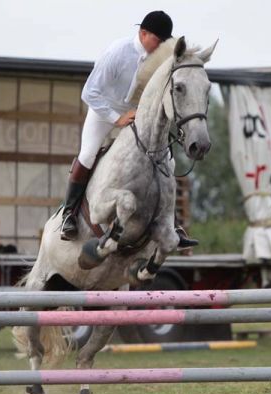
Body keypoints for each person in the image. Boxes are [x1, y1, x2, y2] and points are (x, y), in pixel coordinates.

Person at [59, 11, 197, 249]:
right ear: (143, 33)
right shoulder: (117, 52)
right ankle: (68, 215)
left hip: (136, 111)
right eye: (158, 40)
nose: (161, 46)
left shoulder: (160, 57)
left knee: (166, 159)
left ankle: (171, 223)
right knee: (88, 153)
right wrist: (117, 117)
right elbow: (89, 93)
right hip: (104, 109)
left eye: (165, 41)